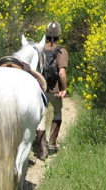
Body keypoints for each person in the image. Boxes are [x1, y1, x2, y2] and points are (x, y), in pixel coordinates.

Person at [35, 21, 68, 160]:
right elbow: (61, 73)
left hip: (41, 90)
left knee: (41, 117)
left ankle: (42, 150)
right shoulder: (61, 51)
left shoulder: (39, 50)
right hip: (55, 91)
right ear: (59, 35)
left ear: (46, 35)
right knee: (57, 111)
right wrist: (64, 88)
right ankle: (52, 143)